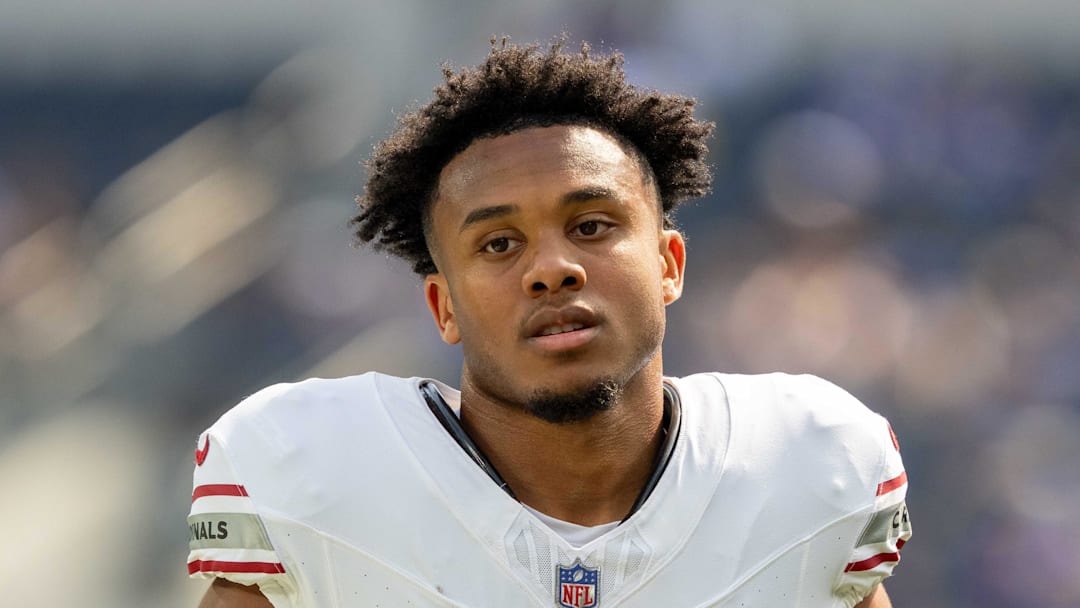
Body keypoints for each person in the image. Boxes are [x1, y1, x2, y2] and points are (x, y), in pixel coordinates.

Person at [187, 39, 911, 607]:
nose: (552, 269)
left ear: (669, 264)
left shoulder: (811, 466)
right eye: (498, 245)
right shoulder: (309, 470)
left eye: (593, 225)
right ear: (443, 308)